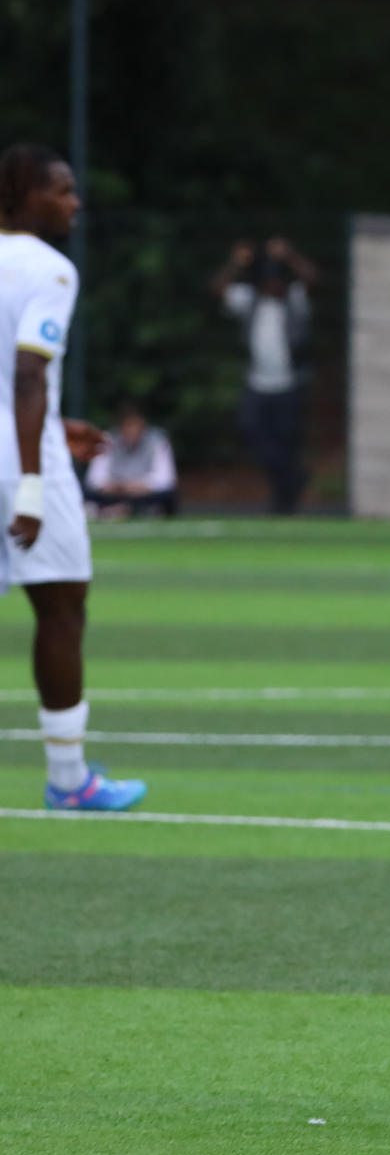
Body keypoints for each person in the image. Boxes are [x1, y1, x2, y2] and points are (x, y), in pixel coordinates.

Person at [0, 144, 138, 812]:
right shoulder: (50, 270)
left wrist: (58, 425)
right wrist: (31, 481)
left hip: (24, 441)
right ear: (22, 193)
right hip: (23, 468)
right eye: (60, 190)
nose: (74, 201)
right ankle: (68, 781)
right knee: (62, 607)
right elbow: (26, 376)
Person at [211, 237, 315, 513]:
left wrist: (289, 255)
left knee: (286, 442)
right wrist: (236, 263)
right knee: (253, 433)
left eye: (278, 281)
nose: (273, 286)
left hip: (288, 385)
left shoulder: (294, 301)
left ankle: (285, 498)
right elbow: (219, 287)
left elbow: (312, 279)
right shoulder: (251, 301)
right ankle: (292, 482)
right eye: (269, 281)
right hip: (257, 384)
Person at [84, 399, 178, 517]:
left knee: (168, 496)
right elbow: (94, 479)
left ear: (143, 424)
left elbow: (166, 479)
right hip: (114, 494)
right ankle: (126, 510)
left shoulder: (157, 440)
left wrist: (138, 486)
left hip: (144, 495)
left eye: (135, 425)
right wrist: (116, 486)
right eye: (128, 425)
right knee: (87, 493)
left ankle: (126, 510)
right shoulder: (107, 440)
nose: (131, 431)